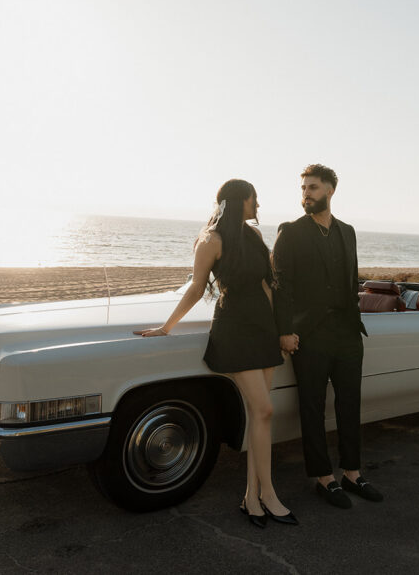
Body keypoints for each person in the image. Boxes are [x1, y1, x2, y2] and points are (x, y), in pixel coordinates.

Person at [135, 179, 297, 529]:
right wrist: (167, 326)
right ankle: (268, 493)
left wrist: (278, 329)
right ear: (240, 200)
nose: (258, 204)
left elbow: (268, 285)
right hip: (235, 331)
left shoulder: (252, 236)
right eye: (254, 199)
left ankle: (252, 498)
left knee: (260, 417)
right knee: (264, 410)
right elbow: (197, 287)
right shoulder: (211, 240)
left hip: (262, 331)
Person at [272, 164, 383, 508]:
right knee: (313, 407)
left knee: (350, 403)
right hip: (311, 335)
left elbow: (352, 280)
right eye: (303, 188)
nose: (306, 193)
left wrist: (353, 313)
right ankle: (323, 478)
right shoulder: (290, 232)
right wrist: (285, 330)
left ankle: (352, 472)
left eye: (314, 187)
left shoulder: (347, 232)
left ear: (331, 190)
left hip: (347, 332)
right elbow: (280, 286)